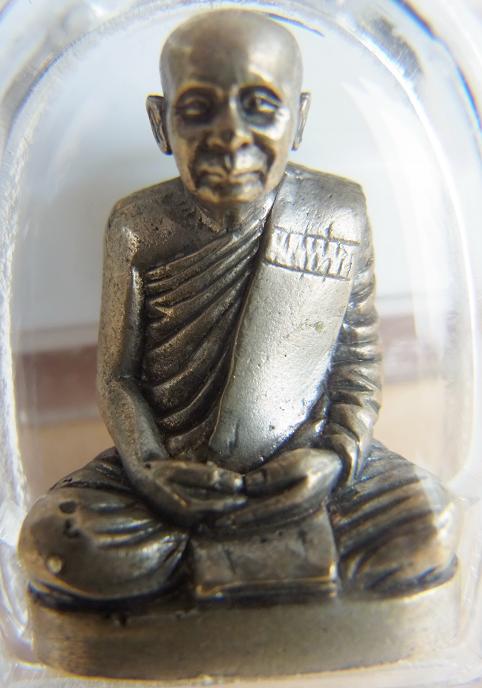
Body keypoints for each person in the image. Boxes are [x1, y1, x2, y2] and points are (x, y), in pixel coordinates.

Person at [19, 9, 457, 607]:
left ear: (299, 118)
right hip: (173, 474)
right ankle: (220, 551)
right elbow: (118, 377)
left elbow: (356, 369)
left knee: (428, 527)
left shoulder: (336, 214)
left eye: (260, 106)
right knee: (59, 542)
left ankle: (213, 559)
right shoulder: (138, 228)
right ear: (160, 122)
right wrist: (149, 468)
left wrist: (333, 460)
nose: (229, 136)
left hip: (305, 470)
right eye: (198, 110)